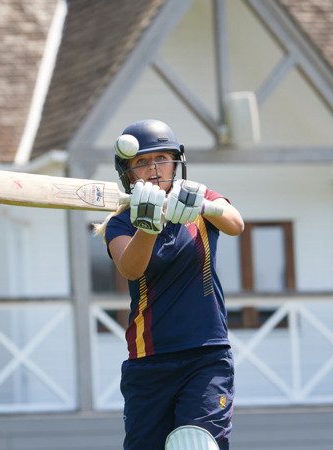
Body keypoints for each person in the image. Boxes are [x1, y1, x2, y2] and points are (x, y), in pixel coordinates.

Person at [94, 119, 244, 450]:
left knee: (196, 445)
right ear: (128, 173)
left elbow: (236, 224)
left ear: (176, 162)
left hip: (206, 354)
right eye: (142, 162)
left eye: (162, 158)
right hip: (150, 362)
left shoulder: (199, 197)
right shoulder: (120, 223)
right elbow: (131, 269)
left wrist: (203, 206)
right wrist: (147, 225)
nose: (154, 168)